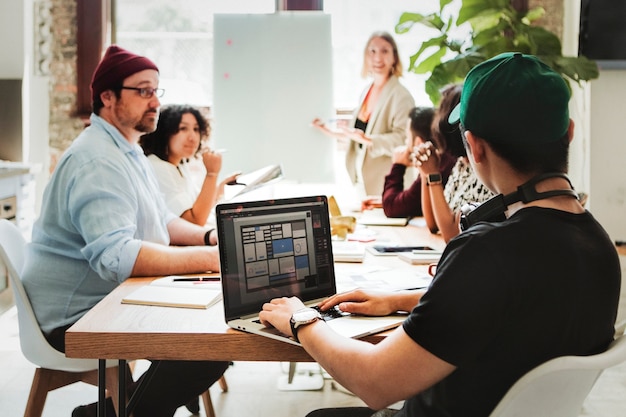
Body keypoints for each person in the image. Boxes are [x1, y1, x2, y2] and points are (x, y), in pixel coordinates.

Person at [259, 52, 621, 417]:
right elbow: (514, 306)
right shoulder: (601, 248)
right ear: (569, 132)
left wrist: (300, 319)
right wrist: (399, 300)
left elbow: (373, 381)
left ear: (474, 147)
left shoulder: (487, 251)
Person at [21, 45, 229, 417]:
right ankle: (120, 413)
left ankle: (113, 412)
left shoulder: (126, 148)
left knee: (218, 331)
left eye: (156, 91)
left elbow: (161, 218)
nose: (155, 102)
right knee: (211, 342)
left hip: (109, 297)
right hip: (75, 315)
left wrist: (209, 239)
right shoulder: (97, 160)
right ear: (107, 97)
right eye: (144, 91)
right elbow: (118, 257)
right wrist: (213, 259)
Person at [312, 31, 415, 197]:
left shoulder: (401, 96)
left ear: (394, 57)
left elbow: (403, 140)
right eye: (372, 51)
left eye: (384, 51)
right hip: (363, 182)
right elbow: (358, 134)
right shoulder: (366, 91)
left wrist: (368, 139)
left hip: (389, 183)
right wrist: (328, 130)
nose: (377, 57)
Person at [414, 84, 494, 242]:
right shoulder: (461, 164)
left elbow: (451, 234)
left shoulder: (482, 170)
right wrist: (426, 174)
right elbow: (433, 224)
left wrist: (434, 176)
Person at [140, 104, 240, 226]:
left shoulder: (180, 165)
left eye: (196, 129)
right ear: (165, 133)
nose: (193, 137)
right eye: (183, 128)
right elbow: (194, 221)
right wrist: (212, 174)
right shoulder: (158, 167)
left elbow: (199, 206)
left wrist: (220, 188)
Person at [371, 103, 456, 218]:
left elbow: (391, 206)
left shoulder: (436, 168)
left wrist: (398, 165)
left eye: (407, 137)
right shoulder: (447, 160)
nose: (406, 143)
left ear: (418, 143)